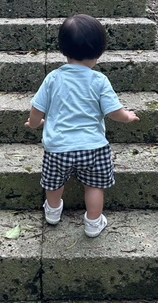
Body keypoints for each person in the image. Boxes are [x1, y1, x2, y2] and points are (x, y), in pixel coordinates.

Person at [24, 14, 139, 237]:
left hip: (58, 148)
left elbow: (37, 109)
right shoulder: (99, 80)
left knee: (54, 183)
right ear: (99, 52)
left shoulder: (53, 78)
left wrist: (34, 123)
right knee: (94, 186)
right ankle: (93, 222)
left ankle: (53, 212)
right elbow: (114, 112)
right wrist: (127, 117)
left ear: (63, 49)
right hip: (93, 148)